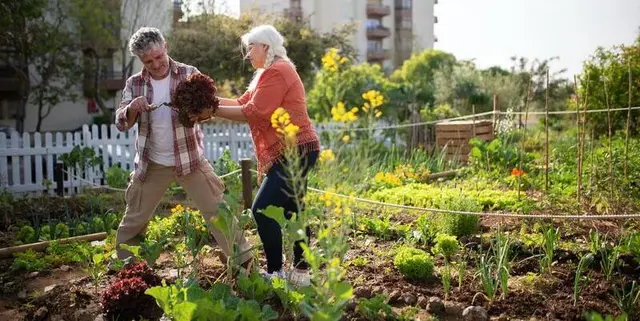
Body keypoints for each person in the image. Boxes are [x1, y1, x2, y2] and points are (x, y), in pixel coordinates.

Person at [114, 27, 253, 271]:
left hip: (190, 160)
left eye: (158, 57)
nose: (156, 64)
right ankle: (128, 272)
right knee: (134, 219)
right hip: (152, 163)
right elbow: (121, 122)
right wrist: (132, 108)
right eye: (148, 61)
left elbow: (209, 110)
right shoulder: (134, 84)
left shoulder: (189, 74)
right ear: (140, 60)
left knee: (218, 212)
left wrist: (198, 112)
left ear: (165, 46)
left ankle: (246, 265)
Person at [212, 25, 320, 286]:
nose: (248, 54)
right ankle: (302, 272)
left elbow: (255, 112)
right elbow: (241, 103)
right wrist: (209, 102)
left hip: (295, 151)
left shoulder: (279, 70)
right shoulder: (268, 73)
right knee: (296, 210)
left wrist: (210, 109)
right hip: (298, 149)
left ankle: (276, 272)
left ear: (266, 47)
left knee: (261, 209)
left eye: (251, 47)